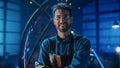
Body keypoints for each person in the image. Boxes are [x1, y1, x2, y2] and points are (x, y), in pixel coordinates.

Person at [35, 2, 91, 68]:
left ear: (71, 19)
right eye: (58, 17)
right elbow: (42, 66)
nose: (62, 20)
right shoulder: (47, 44)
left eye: (66, 16)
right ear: (54, 21)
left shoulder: (82, 42)